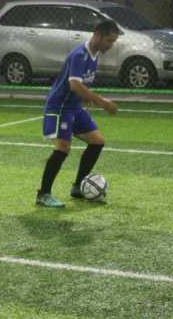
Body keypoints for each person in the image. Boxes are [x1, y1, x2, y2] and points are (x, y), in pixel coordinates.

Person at [35, 19, 120, 208]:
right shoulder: (79, 55)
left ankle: (78, 187)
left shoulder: (94, 54)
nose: (110, 45)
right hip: (59, 107)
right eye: (108, 40)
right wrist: (103, 102)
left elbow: (80, 86)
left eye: (113, 41)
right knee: (63, 147)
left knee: (97, 141)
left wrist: (86, 99)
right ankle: (43, 194)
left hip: (74, 107)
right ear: (97, 35)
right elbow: (75, 85)